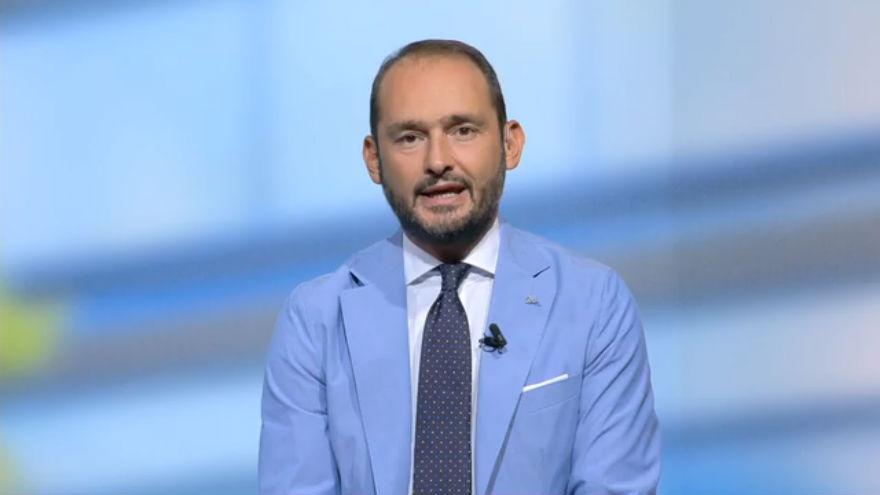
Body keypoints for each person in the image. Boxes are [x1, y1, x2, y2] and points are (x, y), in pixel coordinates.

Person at [259, 39, 660, 495]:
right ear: (374, 159)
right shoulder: (315, 320)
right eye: (410, 137)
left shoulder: (593, 303)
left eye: (463, 130)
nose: (438, 161)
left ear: (510, 143)